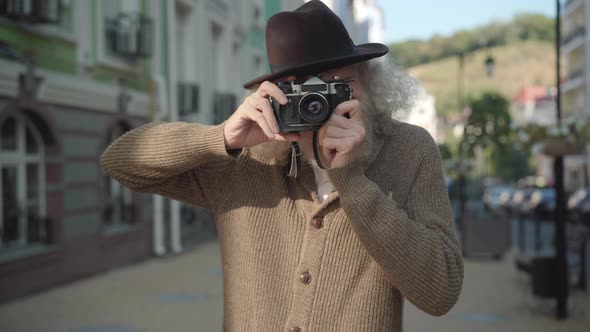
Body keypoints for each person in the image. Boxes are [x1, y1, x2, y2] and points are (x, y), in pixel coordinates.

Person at [101, 1, 463, 331]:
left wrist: (351, 181)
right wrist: (223, 136)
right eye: (304, 90)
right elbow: (120, 162)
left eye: (340, 84)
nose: (320, 102)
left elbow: (440, 292)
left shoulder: (408, 149)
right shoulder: (247, 159)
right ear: (277, 94)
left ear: (366, 83)